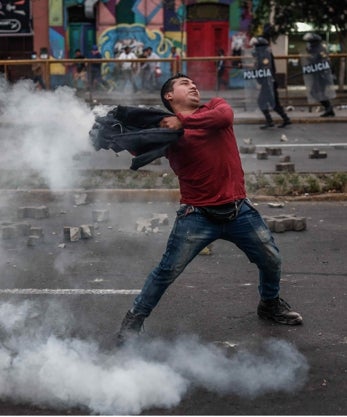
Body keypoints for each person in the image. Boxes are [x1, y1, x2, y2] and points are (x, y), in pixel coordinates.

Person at [116, 73, 303, 346]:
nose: (193, 84)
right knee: (167, 271)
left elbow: (224, 118)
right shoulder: (166, 131)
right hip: (196, 215)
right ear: (169, 96)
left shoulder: (215, 106)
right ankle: (133, 320)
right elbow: (137, 145)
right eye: (184, 83)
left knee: (271, 259)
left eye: (194, 82)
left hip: (239, 210)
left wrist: (183, 120)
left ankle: (270, 304)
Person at [250, 37, 291, 129]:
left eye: (255, 46)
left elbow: (265, 69)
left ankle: (271, 121)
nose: (254, 49)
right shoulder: (263, 54)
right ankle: (285, 119)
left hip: (269, 83)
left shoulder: (265, 54)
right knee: (274, 103)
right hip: (269, 82)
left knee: (262, 102)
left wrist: (256, 72)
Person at [302, 33, 335, 117]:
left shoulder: (320, 49)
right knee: (317, 92)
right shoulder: (313, 49)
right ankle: (329, 109)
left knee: (316, 92)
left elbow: (325, 61)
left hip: (322, 75)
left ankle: (329, 108)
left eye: (309, 42)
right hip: (317, 75)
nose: (308, 43)